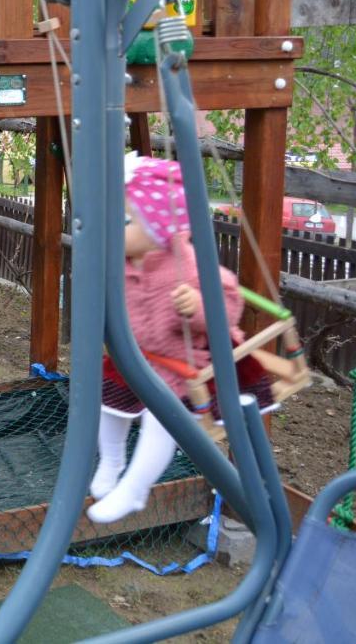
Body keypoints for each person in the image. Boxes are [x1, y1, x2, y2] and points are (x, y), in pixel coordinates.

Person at [89, 154, 269, 524]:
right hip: (138, 355)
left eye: (124, 220)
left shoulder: (185, 263)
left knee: (162, 422)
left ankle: (135, 488)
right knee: (106, 407)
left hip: (185, 365)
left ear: (157, 227)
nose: (113, 228)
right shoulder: (121, 261)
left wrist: (197, 307)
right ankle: (111, 460)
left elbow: (229, 306)